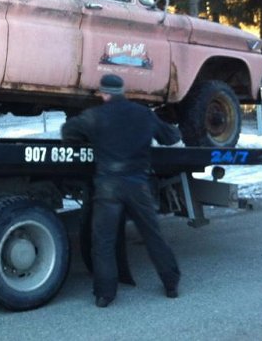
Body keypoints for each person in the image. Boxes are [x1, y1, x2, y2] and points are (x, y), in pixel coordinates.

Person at [62, 73, 181, 307]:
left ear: (104, 93)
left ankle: (104, 294)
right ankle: (171, 284)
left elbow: (68, 131)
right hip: (138, 185)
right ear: (122, 91)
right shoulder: (143, 114)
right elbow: (171, 136)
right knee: (152, 235)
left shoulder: (95, 116)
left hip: (108, 187)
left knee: (103, 242)